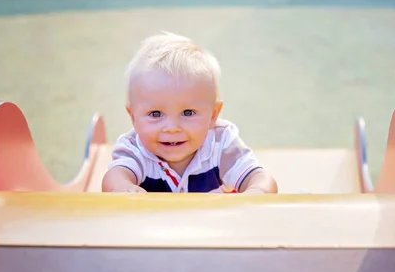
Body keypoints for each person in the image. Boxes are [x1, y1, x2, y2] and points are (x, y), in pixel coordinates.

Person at [102, 31, 278, 194]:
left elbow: (260, 178)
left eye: (188, 113)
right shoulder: (135, 149)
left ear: (213, 115)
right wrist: (124, 188)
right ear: (133, 117)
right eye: (156, 114)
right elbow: (114, 178)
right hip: (153, 226)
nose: (172, 128)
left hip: (210, 225)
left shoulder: (220, 143)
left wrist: (256, 191)